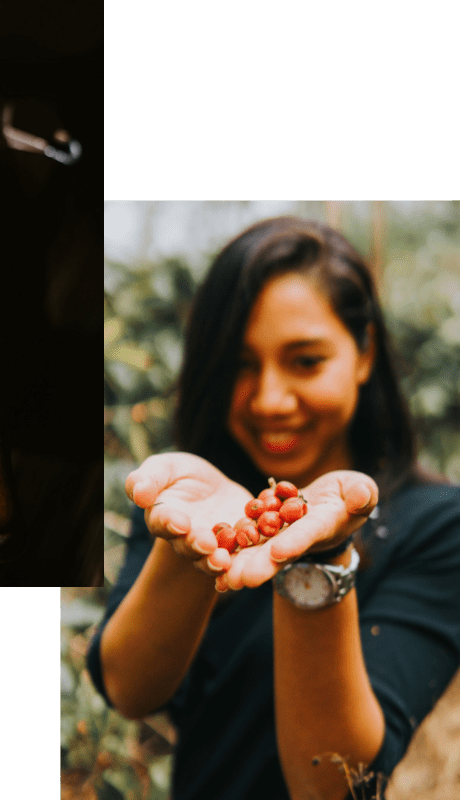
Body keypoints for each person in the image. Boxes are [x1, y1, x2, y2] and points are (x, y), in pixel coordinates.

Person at [89, 216, 460, 800]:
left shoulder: (438, 524)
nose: (270, 399)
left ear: (363, 355)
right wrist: (188, 547)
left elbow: (330, 786)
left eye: (305, 361)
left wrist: (322, 557)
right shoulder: (192, 495)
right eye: (240, 365)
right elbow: (129, 688)